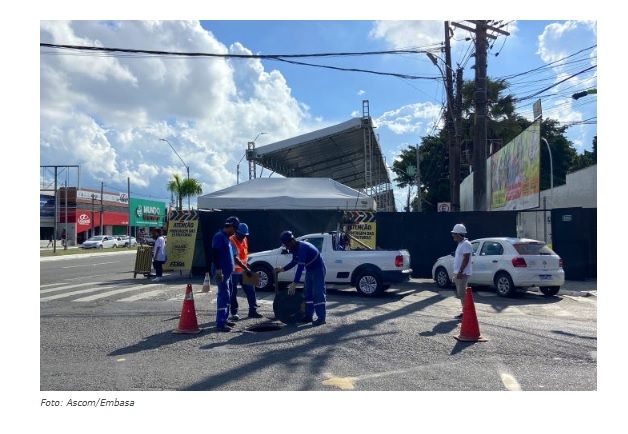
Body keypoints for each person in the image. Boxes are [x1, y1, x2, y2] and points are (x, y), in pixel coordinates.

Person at [275, 230, 327, 326]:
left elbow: (300, 267)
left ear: (292, 241)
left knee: (318, 293)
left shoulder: (303, 248)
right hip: (310, 270)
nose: (286, 247)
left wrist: (295, 282)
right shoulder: (294, 249)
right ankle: (308, 316)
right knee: (308, 293)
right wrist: (283, 269)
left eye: (286, 245)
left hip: (318, 269)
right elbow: (294, 261)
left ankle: (321, 318)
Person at [211, 216, 241, 332]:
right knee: (223, 296)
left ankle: (225, 319)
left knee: (228, 295)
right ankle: (220, 323)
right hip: (222, 272)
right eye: (235, 229)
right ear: (232, 226)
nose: (235, 232)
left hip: (228, 273)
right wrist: (218, 269)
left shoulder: (226, 237)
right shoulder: (219, 237)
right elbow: (214, 253)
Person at [229, 223, 263, 320]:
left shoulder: (244, 239)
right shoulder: (231, 240)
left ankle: (253, 311)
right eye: (242, 235)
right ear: (237, 232)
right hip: (234, 271)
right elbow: (235, 258)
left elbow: (244, 254)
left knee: (251, 290)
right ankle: (234, 312)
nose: (243, 236)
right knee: (233, 292)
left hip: (244, 269)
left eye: (245, 235)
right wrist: (246, 268)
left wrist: (247, 266)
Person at [451, 223, 473, 319]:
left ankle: (466, 312)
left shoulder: (466, 244)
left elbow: (466, 258)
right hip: (460, 273)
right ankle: (465, 311)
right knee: (461, 294)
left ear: (459, 234)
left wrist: (460, 272)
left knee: (462, 294)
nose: (453, 236)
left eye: (454, 234)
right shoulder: (461, 244)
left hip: (463, 273)